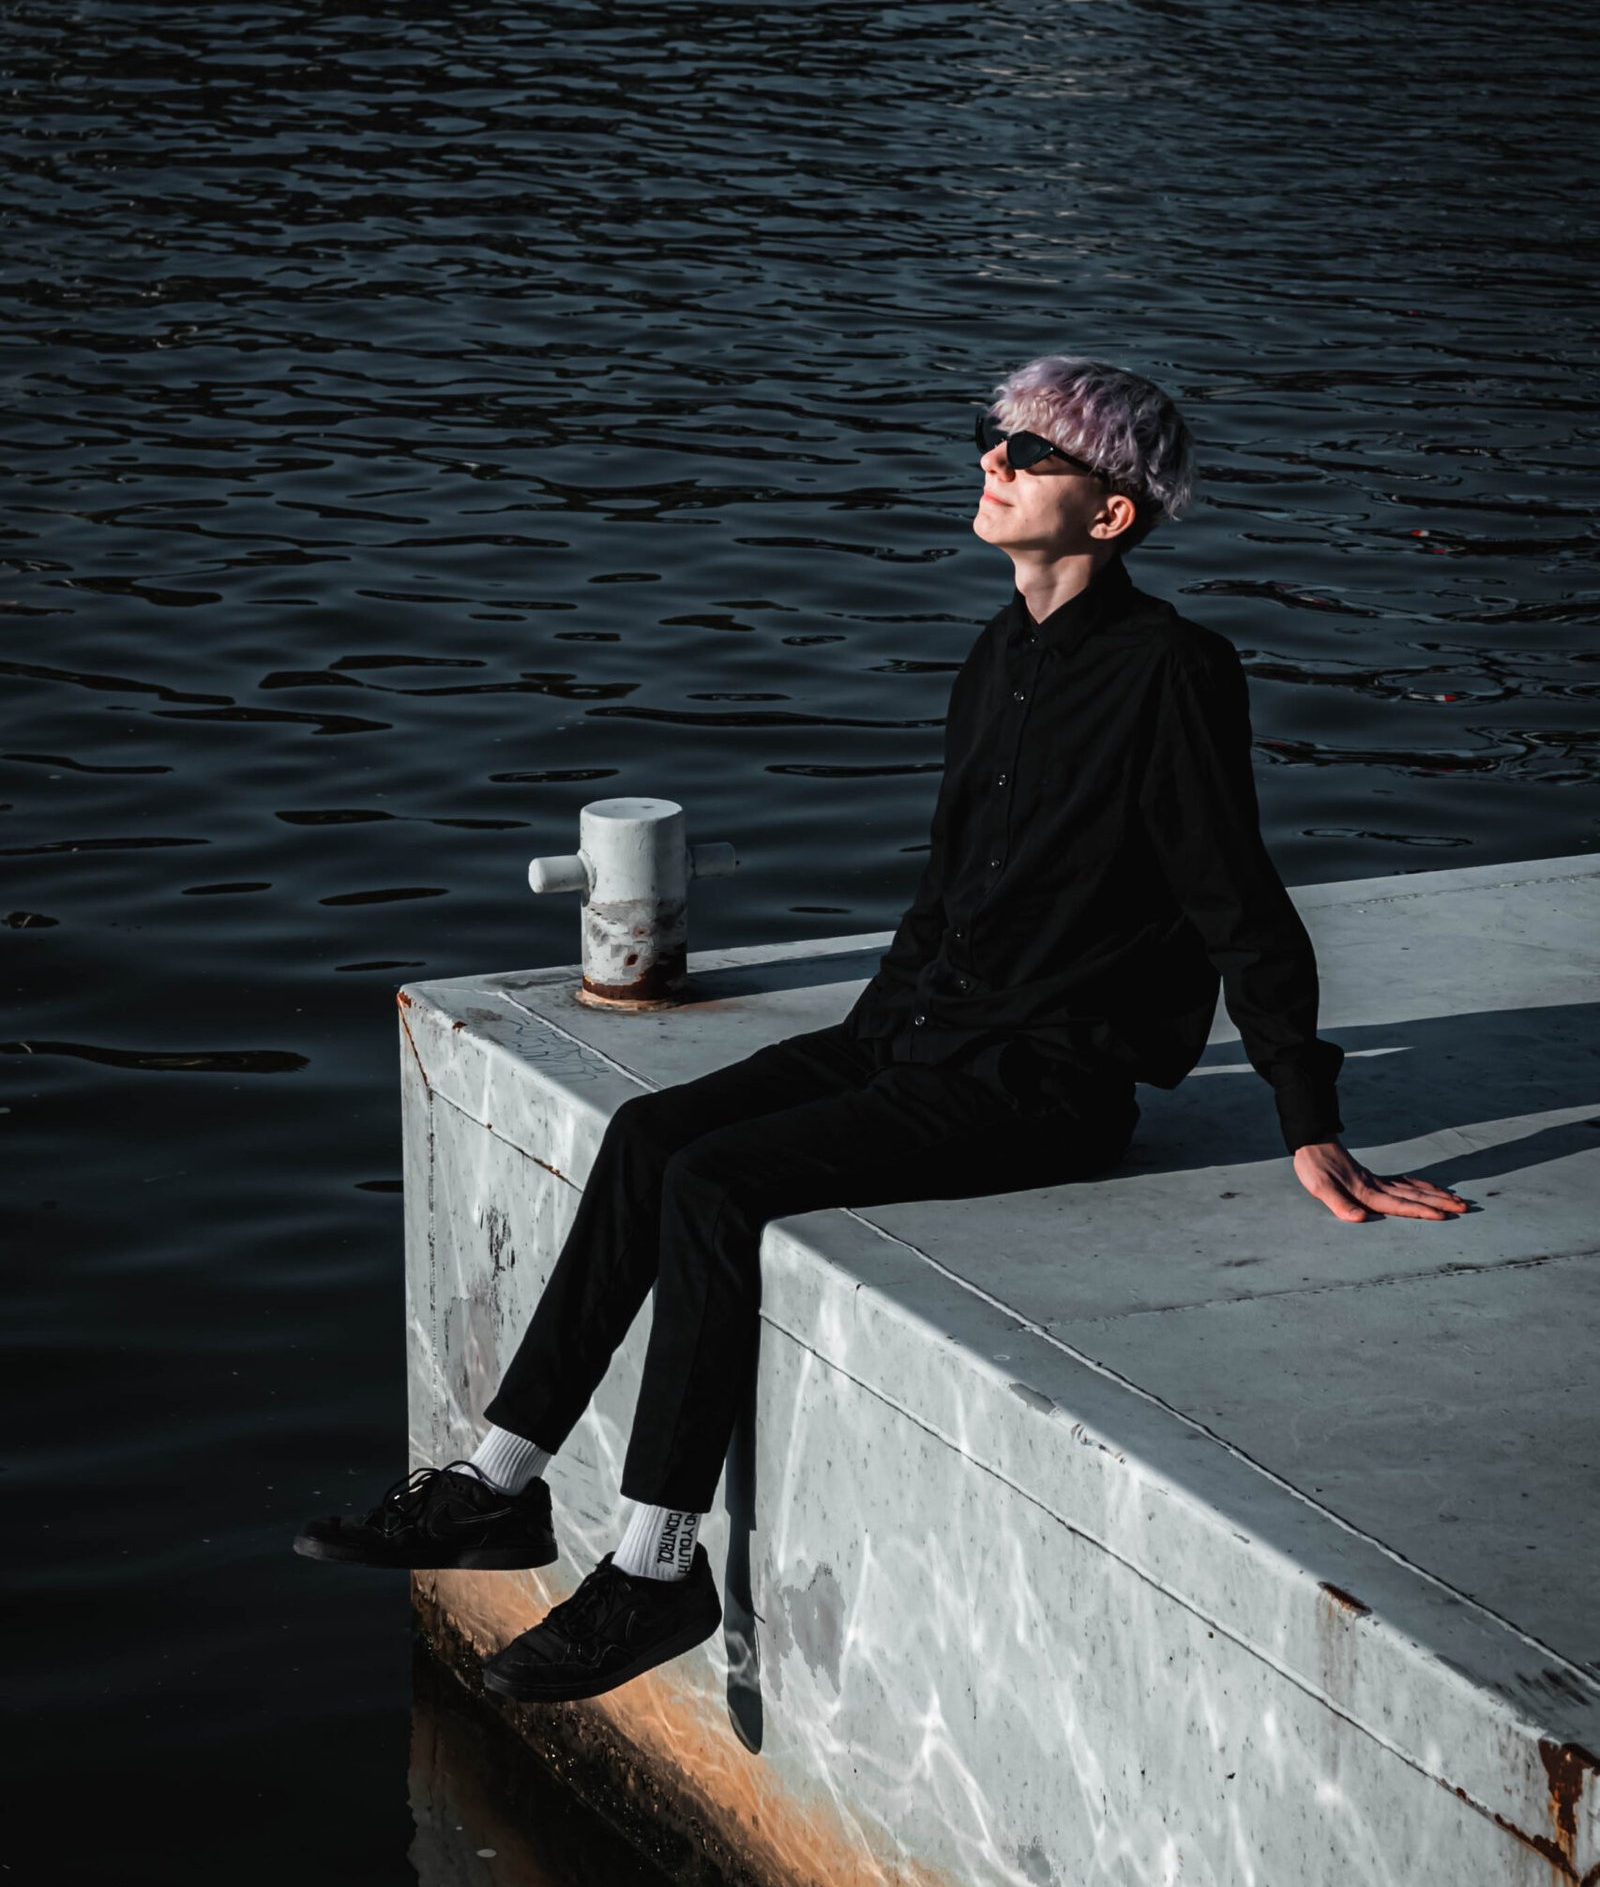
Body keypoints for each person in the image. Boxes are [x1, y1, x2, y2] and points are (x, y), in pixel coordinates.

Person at [295, 353, 1466, 1701]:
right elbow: (951, 883)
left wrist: (1308, 1117)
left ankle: (655, 1566)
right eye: (993, 437)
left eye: (1031, 453)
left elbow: (1238, 901)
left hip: (1045, 1079)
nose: (994, 462)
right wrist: (871, 1036)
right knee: (650, 1135)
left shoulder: (1173, 670)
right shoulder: (996, 655)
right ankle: (498, 1486)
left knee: (716, 1185)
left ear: (1110, 513)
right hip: (917, 1030)